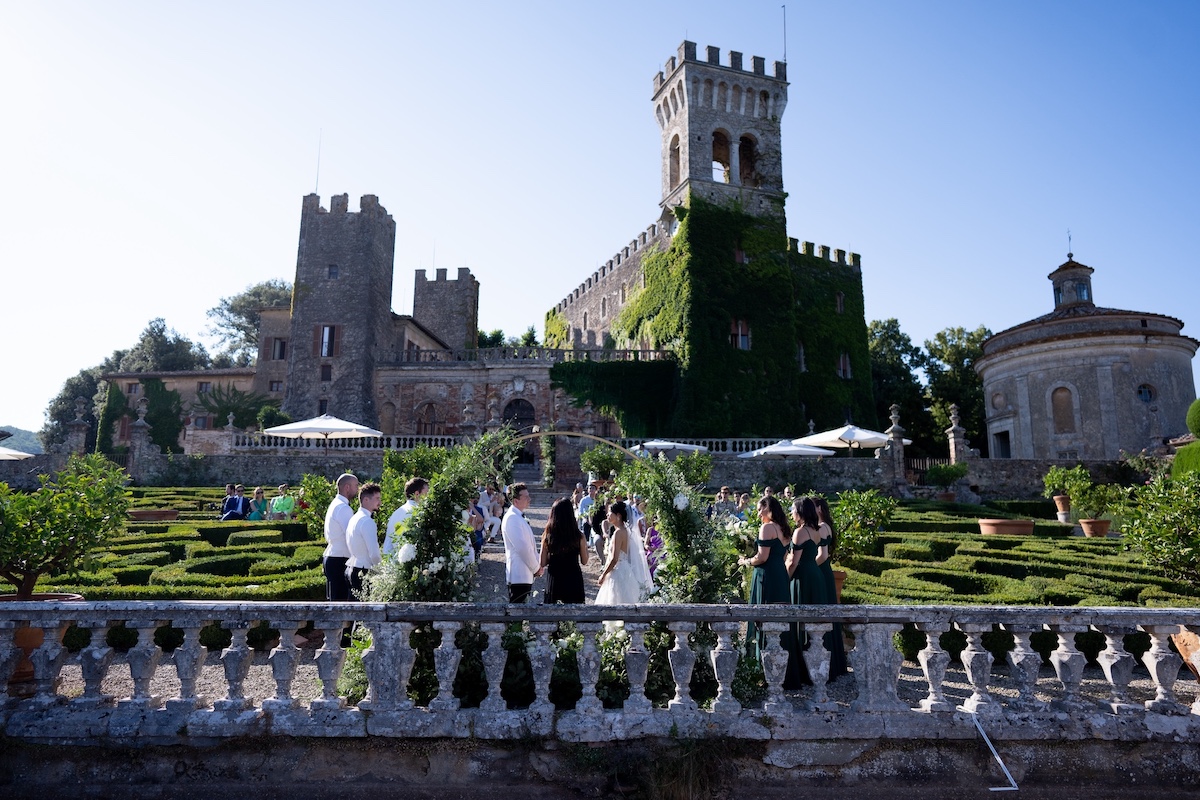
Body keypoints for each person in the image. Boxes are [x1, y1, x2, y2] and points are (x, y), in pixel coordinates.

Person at [740, 495, 803, 686]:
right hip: (780, 575)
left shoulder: (767, 528)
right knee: (781, 619)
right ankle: (787, 671)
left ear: (768, 508)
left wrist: (745, 561)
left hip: (766, 575)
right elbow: (782, 555)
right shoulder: (784, 529)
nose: (758, 514)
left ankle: (765, 671)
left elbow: (762, 556)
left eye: (760, 509)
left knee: (764, 618)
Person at [787, 496, 832, 687]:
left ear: (799, 512)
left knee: (801, 619)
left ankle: (802, 669)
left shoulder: (800, 531)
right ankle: (818, 668)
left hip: (802, 577)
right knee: (816, 622)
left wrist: (784, 580)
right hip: (816, 576)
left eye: (793, 510)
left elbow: (793, 561)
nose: (791, 513)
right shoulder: (816, 530)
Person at [813, 496, 848, 679]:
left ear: (819, 508)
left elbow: (822, 555)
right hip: (823, 571)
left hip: (821, 571)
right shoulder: (823, 525)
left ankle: (830, 662)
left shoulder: (822, 527)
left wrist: (808, 566)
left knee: (825, 614)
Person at [594, 500, 653, 607]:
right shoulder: (625, 530)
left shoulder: (618, 533)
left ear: (618, 516)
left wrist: (603, 575)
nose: (607, 515)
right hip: (625, 569)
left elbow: (614, 558)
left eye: (610, 512)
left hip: (617, 570)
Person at [539, 497, 588, 604]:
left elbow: (542, 562)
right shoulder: (579, 536)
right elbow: (585, 561)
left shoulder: (548, 535)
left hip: (555, 578)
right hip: (573, 578)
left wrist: (553, 556)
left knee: (553, 614)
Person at [502, 483, 542, 603]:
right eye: (526, 497)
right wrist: (536, 567)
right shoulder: (512, 518)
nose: (529, 499)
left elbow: (529, 545)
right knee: (517, 614)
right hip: (519, 575)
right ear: (516, 500)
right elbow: (522, 548)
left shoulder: (517, 516)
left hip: (524, 574)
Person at [322, 473, 359, 601]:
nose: (357, 489)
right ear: (347, 487)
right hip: (339, 559)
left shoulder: (336, 504)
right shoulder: (343, 508)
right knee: (340, 605)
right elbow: (351, 535)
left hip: (333, 556)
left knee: (336, 602)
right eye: (356, 485)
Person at [345, 482, 383, 597]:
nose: (379, 502)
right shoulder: (367, 521)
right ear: (366, 500)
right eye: (377, 498)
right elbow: (374, 553)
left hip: (350, 568)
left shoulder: (354, 518)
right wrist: (382, 571)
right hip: (363, 571)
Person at [383, 477, 430, 556]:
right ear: (417, 494)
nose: (428, 497)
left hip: (395, 562)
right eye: (426, 493)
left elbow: (387, 545)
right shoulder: (419, 513)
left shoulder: (395, 514)